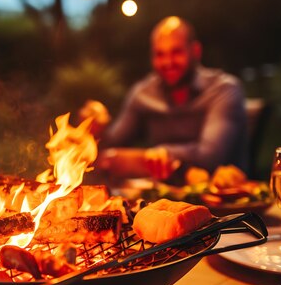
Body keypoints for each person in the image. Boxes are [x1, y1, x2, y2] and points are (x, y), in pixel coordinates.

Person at [83, 16, 247, 180]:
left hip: (223, 200)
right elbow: (113, 144)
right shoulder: (143, 93)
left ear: (196, 51)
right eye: (160, 54)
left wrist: (160, 154)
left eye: (176, 52)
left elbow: (211, 156)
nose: (168, 62)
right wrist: (94, 131)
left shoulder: (223, 90)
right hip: (162, 198)